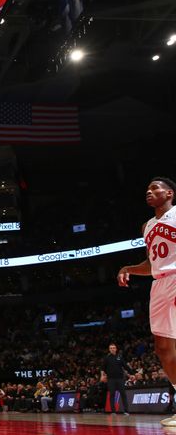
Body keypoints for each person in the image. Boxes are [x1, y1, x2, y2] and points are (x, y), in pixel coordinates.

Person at [117, 176, 176, 427]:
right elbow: (152, 263)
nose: (149, 192)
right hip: (159, 283)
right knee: (163, 348)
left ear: (170, 193)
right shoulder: (147, 226)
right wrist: (128, 268)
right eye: (147, 189)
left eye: (155, 188)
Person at [101, 343, 132, 415]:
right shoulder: (107, 358)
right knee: (112, 394)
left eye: (113, 348)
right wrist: (102, 376)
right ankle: (113, 411)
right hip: (111, 379)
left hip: (120, 378)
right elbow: (102, 368)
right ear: (109, 349)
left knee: (123, 394)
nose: (112, 349)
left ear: (116, 349)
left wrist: (132, 373)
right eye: (111, 348)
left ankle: (126, 411)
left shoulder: (120, 357)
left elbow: (126, 366)